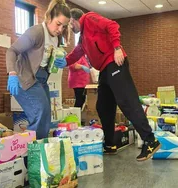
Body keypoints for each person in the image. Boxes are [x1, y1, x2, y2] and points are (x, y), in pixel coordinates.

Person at [64, 8, 161, 161]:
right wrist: (62, 61)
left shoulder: (89, 19)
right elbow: (76, 53)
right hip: (104, 69)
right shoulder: (82, 37)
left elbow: (112, 25)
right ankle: (110, 144)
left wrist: (117, 48)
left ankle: (150, 140)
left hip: (114, 62)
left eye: (69, 24)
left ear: (72, 20)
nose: (69, 28)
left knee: (126, 101)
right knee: (103, 106)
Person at [6, 0, 69, 139]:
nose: (60, 29)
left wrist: (62, 61)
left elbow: (48, 58)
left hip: (41, 79)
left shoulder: (57, 38)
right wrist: (12, 73)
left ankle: (40, 151)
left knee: (46, 117)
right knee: (40, 112)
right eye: (58, 24)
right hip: (25, 78)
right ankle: (33, 153)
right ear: (49, 17)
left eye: (63, 27)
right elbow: (12, 50)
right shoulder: (36, 32)